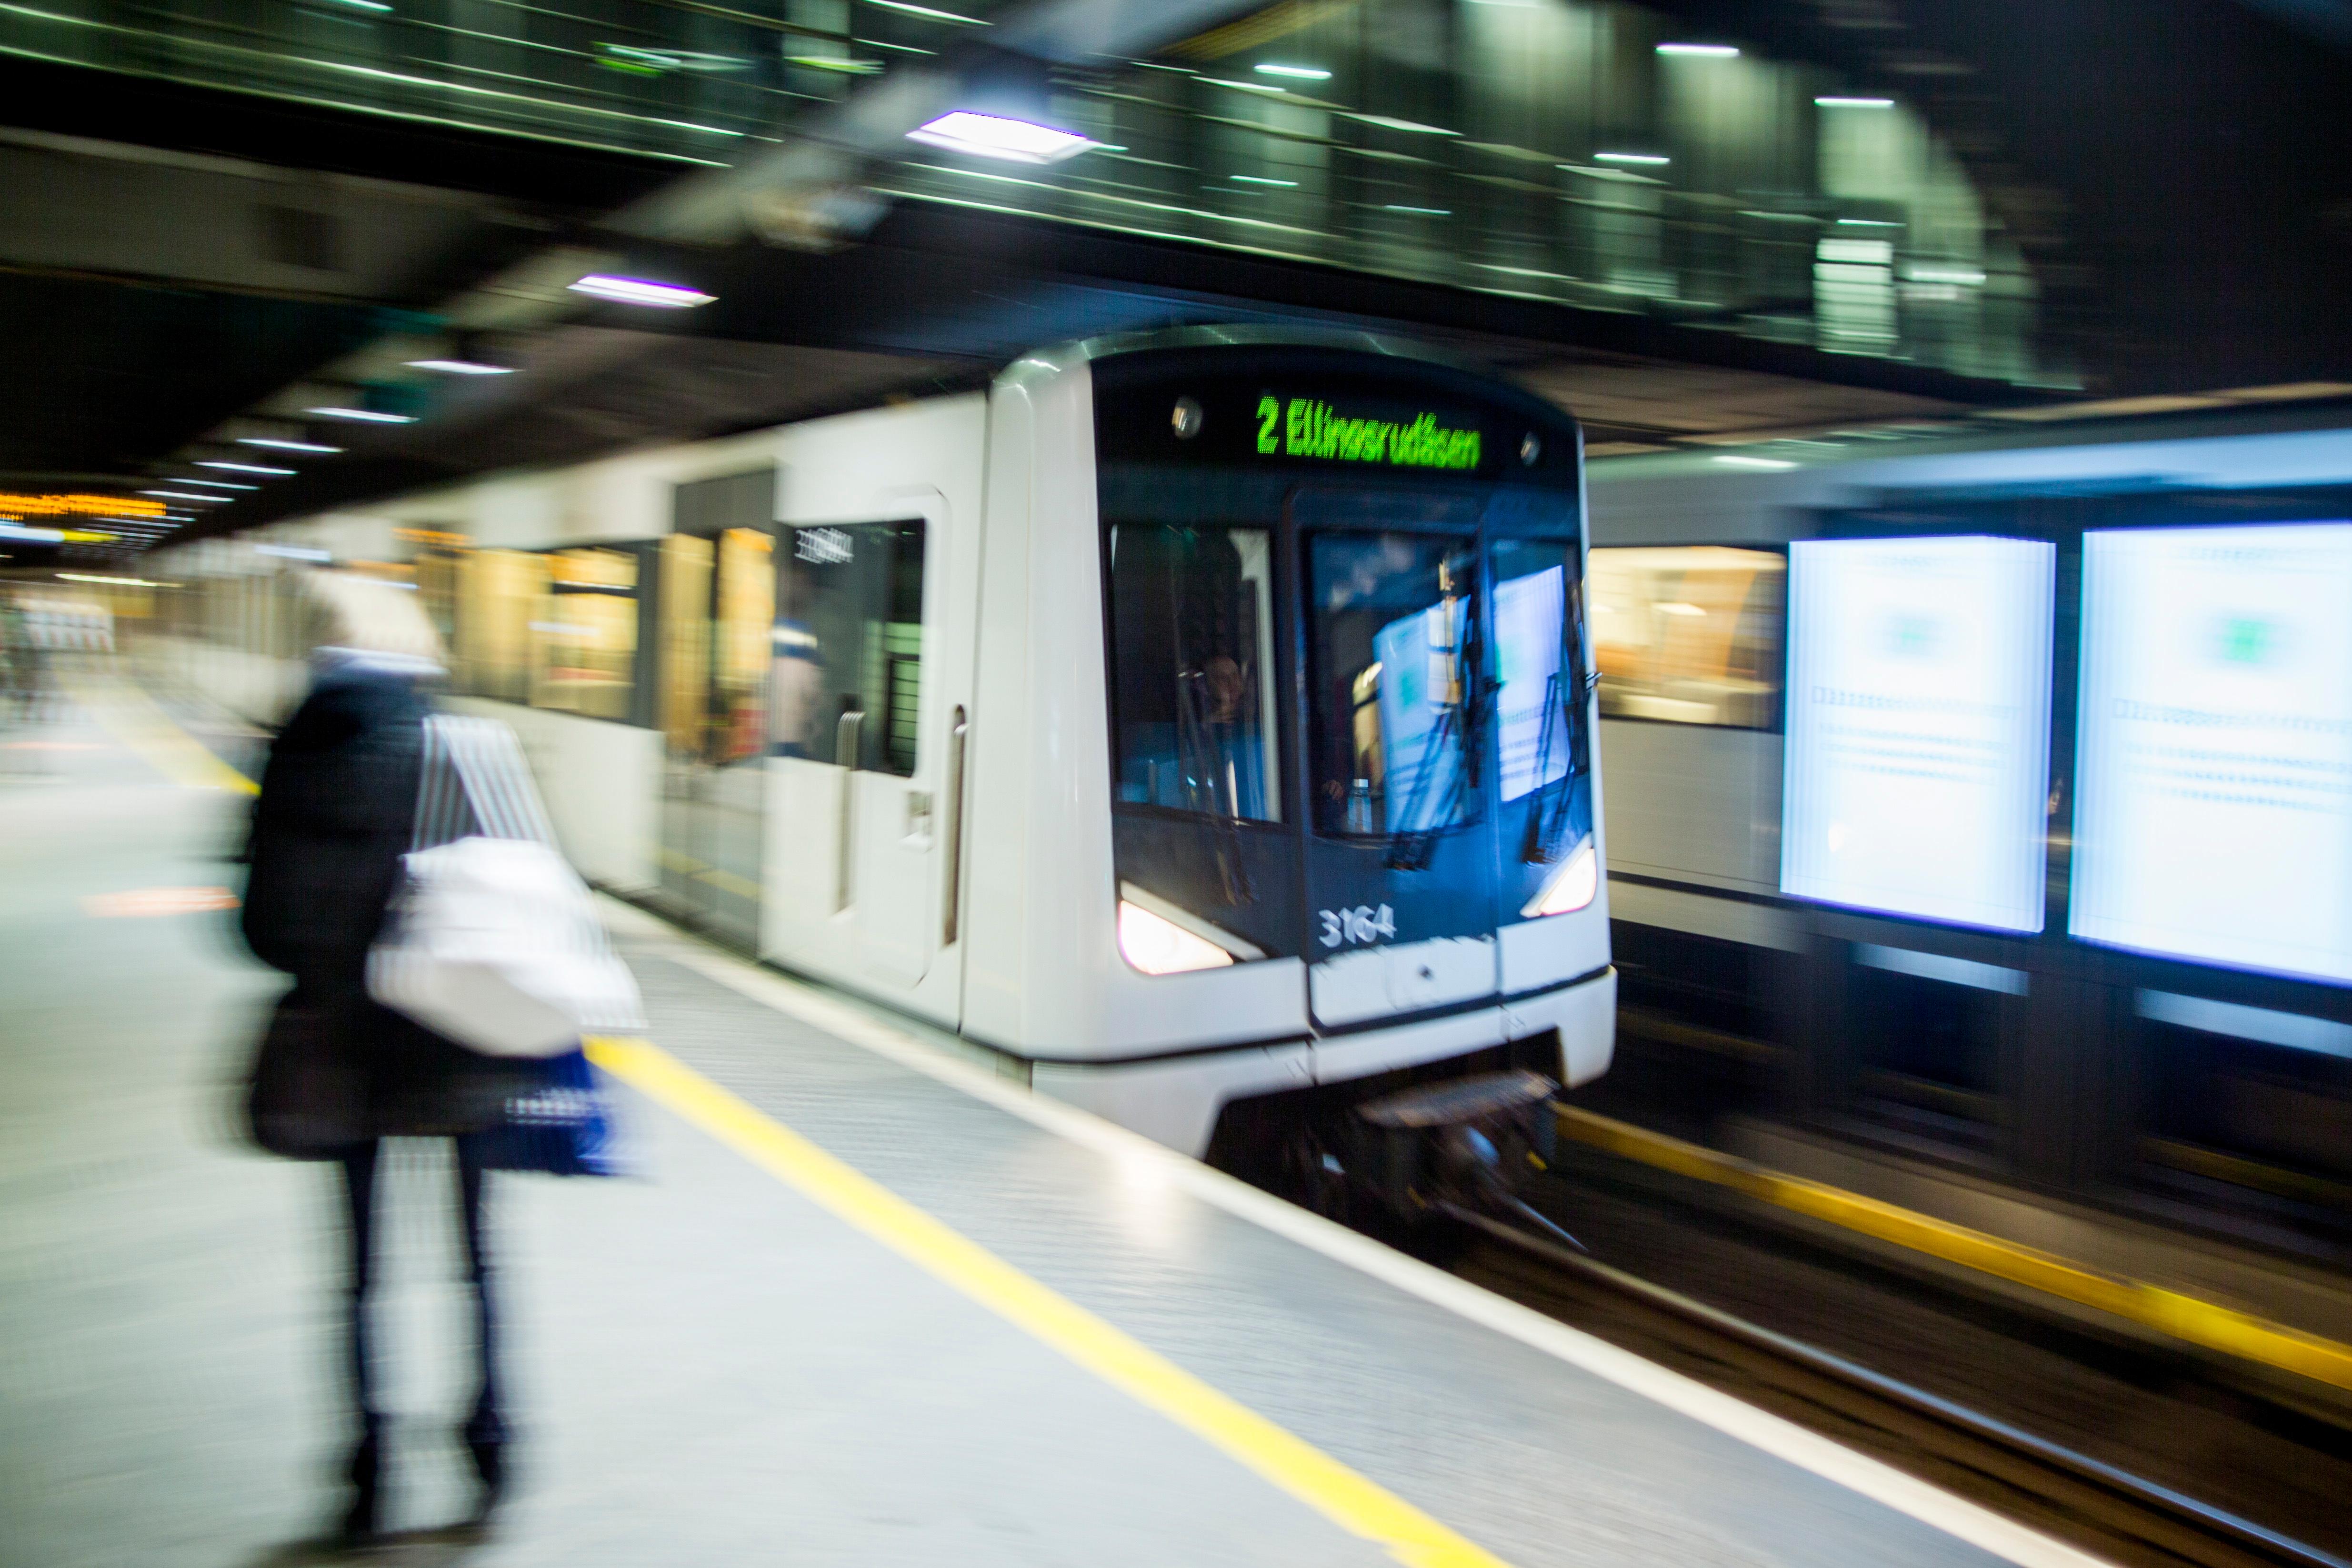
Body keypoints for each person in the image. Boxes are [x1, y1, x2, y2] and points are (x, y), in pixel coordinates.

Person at [240, 570, 518, 1545]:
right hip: (456, 1045)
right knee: (477, 1259)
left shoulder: (292, 748)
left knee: (359, 1275)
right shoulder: (460, 740)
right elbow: (518, 905)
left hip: (341, 1052)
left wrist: (328, 959)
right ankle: (494, 1443)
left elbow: (259, 928)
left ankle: (370, 1476)